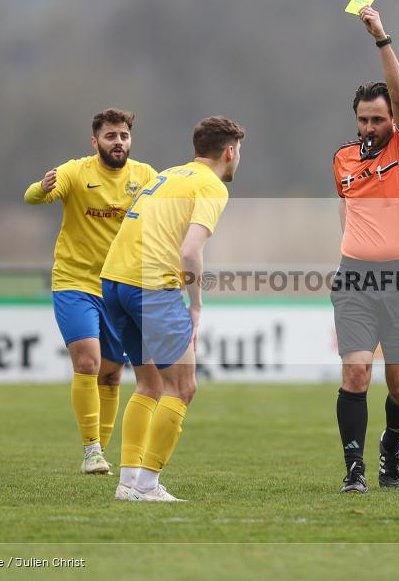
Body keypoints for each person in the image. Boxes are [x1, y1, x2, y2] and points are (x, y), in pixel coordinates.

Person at [101, 116, 243, 502]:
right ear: (230, 152)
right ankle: (146, 486)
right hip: (151, 286)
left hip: (114, 280)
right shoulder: (211, 186)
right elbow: (189, 251)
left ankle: (127, 482)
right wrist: (195, 304)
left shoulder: (168, 174)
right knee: (182, 387)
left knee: (149, 384)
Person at [24, 108, 159, 474]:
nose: (118, 142)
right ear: (95, 141)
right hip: (74, 282)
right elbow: (33, 197)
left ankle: (101, 450)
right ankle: (91, 450)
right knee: (87, 361)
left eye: (124, 136)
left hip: (118, 286)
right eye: (111, 136)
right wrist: (42, 187)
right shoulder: (75, 172)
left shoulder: (145, 176)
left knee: (113, 374)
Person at [331, 5, 399, 492]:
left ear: (392, 118)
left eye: (377, 119)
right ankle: (354, 468)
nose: (369, 128)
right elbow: (350, 211)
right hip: (354, 279)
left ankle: (392, 443)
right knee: (355, 372)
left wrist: (381, 38)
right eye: (363, 120)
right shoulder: (343, 159)